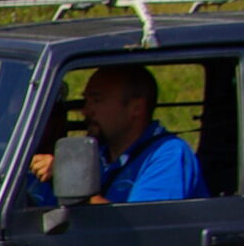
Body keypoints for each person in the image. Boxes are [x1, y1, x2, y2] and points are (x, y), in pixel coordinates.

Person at [31, 65, 208, 204]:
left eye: (97, 100)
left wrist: (69, 180)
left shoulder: (168, 156)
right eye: (87, 101)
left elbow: (140, 231)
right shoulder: (98, 154)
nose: (86, 111)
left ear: (135, 108)